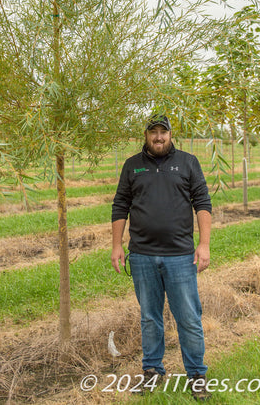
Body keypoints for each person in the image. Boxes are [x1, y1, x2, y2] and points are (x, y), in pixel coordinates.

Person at [111, 115, 212, 400]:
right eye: (153, 132)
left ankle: (196, 375)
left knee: (189, 317)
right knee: (149, 318)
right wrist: (117, 245)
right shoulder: (132, 165)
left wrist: (203, 245)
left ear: (171, 134)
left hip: (180, 256)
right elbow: (120, 204)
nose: (158, 137)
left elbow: (202, 202)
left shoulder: (188, 162)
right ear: (146, 135)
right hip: (142, 255)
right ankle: (152, 371)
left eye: (163, 132)